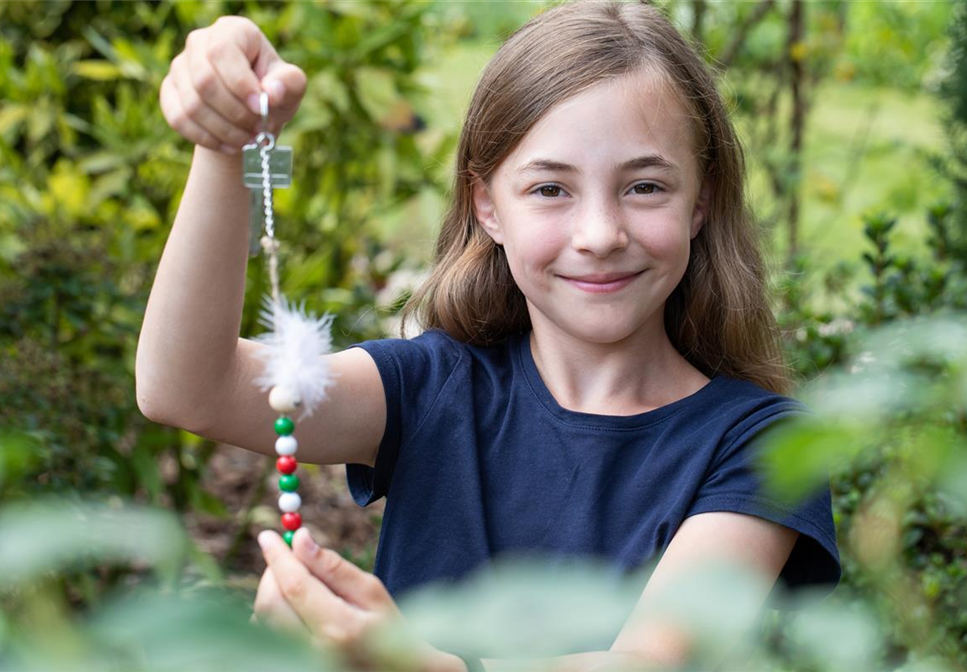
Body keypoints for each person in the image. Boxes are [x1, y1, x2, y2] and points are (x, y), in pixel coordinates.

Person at [138, 1, 841, 669]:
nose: (599, 235)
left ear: (701, 202)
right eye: (549, 189)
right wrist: (223, 144)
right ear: (487, 206)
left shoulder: (762, 447)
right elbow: (189, 389)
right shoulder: (429, 390)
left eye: (645, 186)